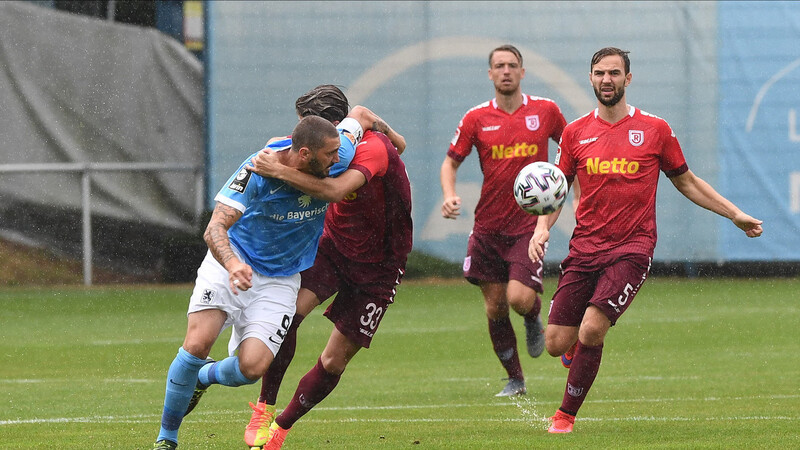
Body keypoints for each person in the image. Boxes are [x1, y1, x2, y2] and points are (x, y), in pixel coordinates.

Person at [528, 47, 763, 434]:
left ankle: (564, 416)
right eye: (600, 73)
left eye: (615, 73)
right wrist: (542, 228)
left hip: (632, 249)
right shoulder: (574, 133)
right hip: (585, 248)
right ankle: (574, 351)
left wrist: (734, 213)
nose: (607, 80)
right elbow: (557, 190)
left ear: (628, 79)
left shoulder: (655, 130)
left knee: (591, 330)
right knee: (554, 343)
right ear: (590, 78)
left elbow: (687, 181)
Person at [152, 95, 398, 449]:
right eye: (329, 156)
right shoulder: (256, 170)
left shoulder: (335, 151)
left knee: (251, 369)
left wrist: (397, 141)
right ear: (304, 155)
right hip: (234, 263)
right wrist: (234, 264)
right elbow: (214, 229)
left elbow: (359, 114)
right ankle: (167, 438)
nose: (338, 160)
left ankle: (203, 377)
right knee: (195, 344)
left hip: (282, 279)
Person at [239, 89, 412, 449]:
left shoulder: (372, 149)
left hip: (380, 266)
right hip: (332, 248)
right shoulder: (332, 141)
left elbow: (334, 190)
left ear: (334, 129)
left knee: (334, 360)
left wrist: (277, 171)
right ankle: (263, 408)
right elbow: (367, 118)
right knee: (289, 317)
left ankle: (281, 430)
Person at [440, 44, 567, 396]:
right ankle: (516, 379)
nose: (506, 70)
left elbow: (571, 150)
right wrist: (450, 195)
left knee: (518, 298)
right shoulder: (475, 118)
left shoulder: (546, 111)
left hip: (528, 226)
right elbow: (450, 162)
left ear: (523, 72)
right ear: (491, 73)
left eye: (513, 65)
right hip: (487, 227)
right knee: (494, 306)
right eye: (500, 66)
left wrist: (572, 189)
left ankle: (533, 315)